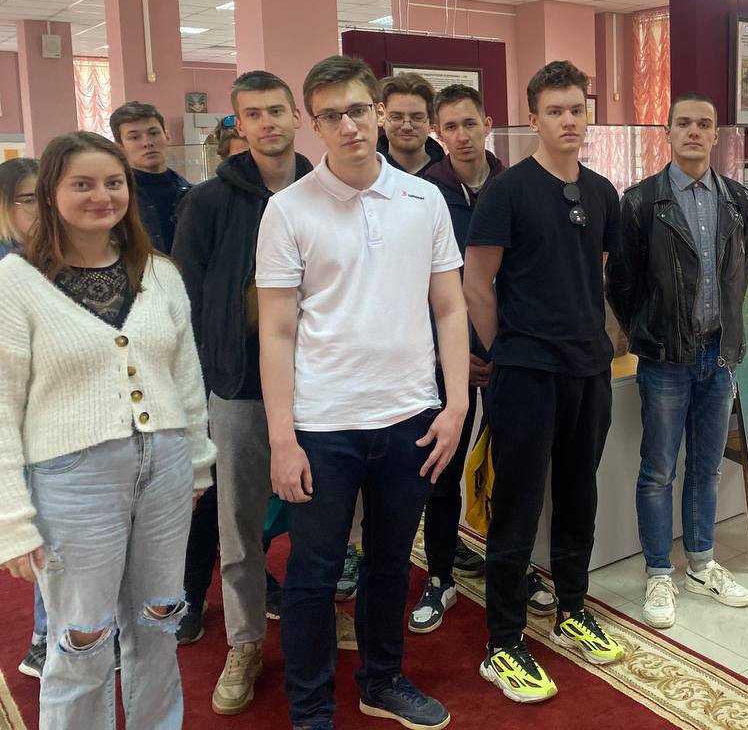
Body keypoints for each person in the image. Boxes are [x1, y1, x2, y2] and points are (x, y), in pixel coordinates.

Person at [256, 55, 468, 730]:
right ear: (313, 125)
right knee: (314, 573)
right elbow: (277, 332)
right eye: (331, 116)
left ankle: (382, 681)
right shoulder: (288, 209)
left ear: (378, 111)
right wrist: (282, 439)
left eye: (357, 110)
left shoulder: (424, 200)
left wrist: (456, 403)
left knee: (388, 564)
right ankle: (311, 709)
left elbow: (450, 308)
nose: (348, 125)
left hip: (409, 416)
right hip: (323, 425)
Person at [0, 131, 216, 730]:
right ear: (50, 193)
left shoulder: (159, 273)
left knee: (159, 623)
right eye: (83, 184)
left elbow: (186, 378)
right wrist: (12, 521)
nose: (102, 196)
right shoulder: (15, 283)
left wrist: (197, 464)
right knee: (82, 640)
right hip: (74, 479)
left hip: (166, 468)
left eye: (113, 182)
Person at [464, 60, 625, 704]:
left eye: (577, 109)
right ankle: (503, 640)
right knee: (518, 504)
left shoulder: (602, 192)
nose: (568, 121)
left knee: (579, 494)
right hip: (526, 373)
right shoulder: (507, 191)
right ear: (533, 119)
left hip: (589, 369)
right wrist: (507, 348)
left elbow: (596, 272)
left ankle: (572, 608)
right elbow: (477, 283)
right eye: (555, 111)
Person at [171, 71, 316, 715]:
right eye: (252, 114)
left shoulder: (326, 189)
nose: (267, 123)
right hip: (239, 386)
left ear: (296, 117)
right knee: (238, 525)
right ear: (238, 124)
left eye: (276, 110)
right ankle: (246, 641)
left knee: (323, 519)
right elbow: (186, 298)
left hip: (322, 383)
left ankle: (317, 620)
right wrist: (209, 377)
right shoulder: (207, 203)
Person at [607, 93, 748, 631]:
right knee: (658, 471)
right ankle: (658, 572)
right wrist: (649, 330)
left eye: (704, 124)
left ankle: (701, 563)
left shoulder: (738, 200)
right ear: (667, 133)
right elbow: (621, 283)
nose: (694, 131)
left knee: (707, 467)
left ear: (716, 135)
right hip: (665, 358)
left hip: (720, 354)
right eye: (684, 123)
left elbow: (742, 272)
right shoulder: (641, 202)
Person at [408, 83, 503, 635]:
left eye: (470, 123)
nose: (462, 136)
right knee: (442, 469)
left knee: (509, 468)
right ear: (437, 133)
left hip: (509, 354)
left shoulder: (514, 184)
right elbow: (414, 287)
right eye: (450, 127)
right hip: (449, 359)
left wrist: (504, 344)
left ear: (488, 123)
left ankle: (513, 567)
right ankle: (440, 575)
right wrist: (455, 353)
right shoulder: (423, 194)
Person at [0, 157, 48, 677]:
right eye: (29, 199)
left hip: (57, 419)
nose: (42, 208)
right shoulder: (9, 269)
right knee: (45, 531)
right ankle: (44, 638)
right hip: (25, 423)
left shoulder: (48, 257)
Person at [109, 102, 191, 253]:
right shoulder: (116, 198)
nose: (147, 143)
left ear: (167, 136)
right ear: (120, 147)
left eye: (154, 133)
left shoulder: (190, 192)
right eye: (134, 137)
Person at [377, 72, 445, 177]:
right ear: (381, 117)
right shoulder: (365, 176)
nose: (406, 127)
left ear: (431, 121)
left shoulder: (450, 177)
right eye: (396, 117)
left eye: (417, 118)